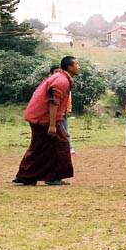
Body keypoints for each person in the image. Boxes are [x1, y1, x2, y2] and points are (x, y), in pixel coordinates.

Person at [12, 56, 79, 186]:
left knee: (41, 147)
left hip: (39, 115)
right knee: (61, 145)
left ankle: (26, 176)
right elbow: (53, 102)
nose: (79, 67)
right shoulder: (61, 81)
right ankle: (52, 177)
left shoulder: (60, 77)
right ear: (69, 67)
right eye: (77, 64)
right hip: (43, 118)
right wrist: (53, 125)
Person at [51, 65, 75, 154]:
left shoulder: (63, 83)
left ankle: (69, 147)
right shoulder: (50, 84)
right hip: (51, 113)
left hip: (62, 112)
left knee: (64, 130)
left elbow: (68, 97)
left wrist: (69, 108)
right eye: (56, 72)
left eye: (59, 72)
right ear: (51, 74)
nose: (58, 74)